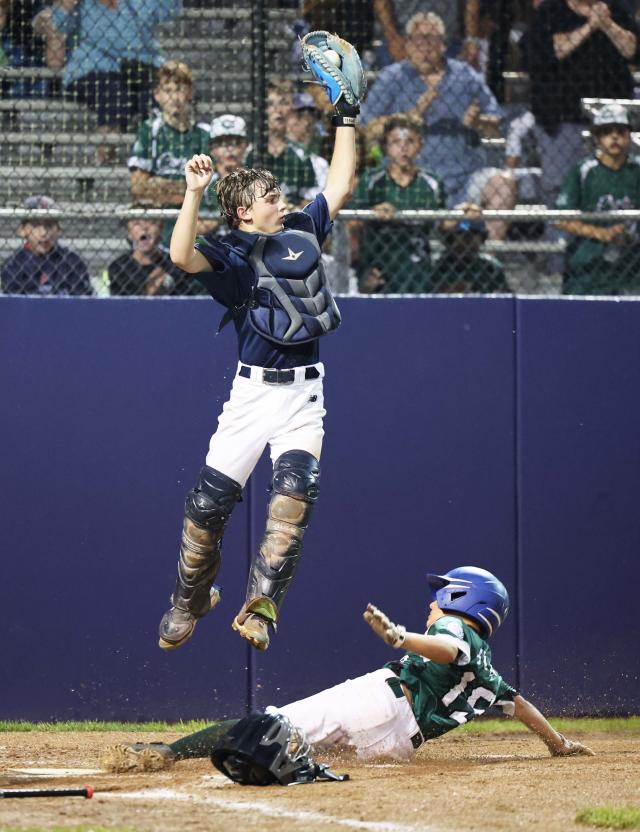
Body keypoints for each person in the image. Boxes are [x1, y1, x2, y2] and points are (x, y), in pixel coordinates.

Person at [154, 38, 359, 653]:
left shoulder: (298, 229)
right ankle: (190, 599)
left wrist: (344, 113)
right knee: (206, 510)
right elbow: (179, 255)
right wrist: (193, 192)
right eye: (267, 195)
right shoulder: (231, 252)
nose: (280, 199)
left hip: (304, 395)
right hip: (251, 395)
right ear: (243, 212)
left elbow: (342, 183)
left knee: (294, 498)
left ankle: (260, 609)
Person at [101, 566, 594, 773]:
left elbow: (444, 648)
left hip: (381, 699)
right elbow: (519, 705)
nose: (431, 603)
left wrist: (402, 638)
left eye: (438, 595)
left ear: (460, 598)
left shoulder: (455, 633)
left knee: (267, 727)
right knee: (306, 756)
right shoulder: (486, 665)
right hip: (398, 744)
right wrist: (558, 743)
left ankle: (166, 752)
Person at [360, 11, 517, 229]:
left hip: (463, 179)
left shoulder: (465, 76)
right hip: (408, 180)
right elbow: (367, 129)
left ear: (443, 44)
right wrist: (411, 115)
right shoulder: (391, 78)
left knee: (503, 183)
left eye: (432, 38)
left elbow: (496, 127)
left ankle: (489, 258)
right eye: (418, 38)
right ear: (407, 44)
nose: (425, 44)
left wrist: (479, 122)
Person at [33, 0, 181, 162]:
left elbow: (168, 10)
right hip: (93, 68)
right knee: (114, 94)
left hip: (141, 65)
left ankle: (162, 160)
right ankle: (105, 161)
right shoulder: (83, 5)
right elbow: (58, 25)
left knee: (161, 97)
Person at [528, 0, 637, 209]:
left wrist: (607, 24)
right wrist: (590, 26)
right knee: (562, 190)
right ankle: (561, 240)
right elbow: (556, 49)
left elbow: (630, 49)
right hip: (563, 119)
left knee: (611, 188)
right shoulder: (552, 11)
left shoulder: (614, 10)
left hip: (610, 122)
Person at [350, 113, 445, 293]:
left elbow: (443, 225)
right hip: (378, 265)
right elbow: (352, 222)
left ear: (420, 146)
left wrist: (464, 213)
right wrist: (372, 212)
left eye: (410, 141)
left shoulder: (432, 182)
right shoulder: (371, 180)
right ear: (386, 147)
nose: (403, 148)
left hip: (418, 268)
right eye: (396, 142)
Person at [556, 103, 640, 295]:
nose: (614, 137)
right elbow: (560, 218)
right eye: (606, 132)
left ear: (629, 136)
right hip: (590, 261)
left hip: (632, 261)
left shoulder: (637, 169)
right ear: (597, 138)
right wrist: (601, 233)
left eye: (621, 131)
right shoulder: (585, 170)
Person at [129, 61, 212, 212]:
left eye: (179, 89)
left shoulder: (204, 134)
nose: (174, 97)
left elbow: (207, 189)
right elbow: (138, 186)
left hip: (196, 215)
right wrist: (187, 189)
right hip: (159, 215)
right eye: (168, 91)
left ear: (190, 92)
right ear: (157, 95)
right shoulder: (149, 130)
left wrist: (159, 184)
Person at [246, 80, 322, 207]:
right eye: (271, 104)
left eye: (284, 103)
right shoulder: (249, 153)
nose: (278, 110)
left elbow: (310, 200)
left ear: (291, 109)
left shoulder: (302, 155)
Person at [1, 195, 91, 296]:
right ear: (22, 230)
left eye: (49, 225)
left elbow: (85, 303)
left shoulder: (73, 261)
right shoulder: (14, 264)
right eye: (35, 225)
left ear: (58, 229)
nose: (43, 233)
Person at [427, 202, 511, 292]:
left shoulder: (490, 267)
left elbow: (504, 297)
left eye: (474, 233)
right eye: (462, 234)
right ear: (450, 238)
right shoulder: (437, 266)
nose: (469, 240)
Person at [107, 218, 194, 296]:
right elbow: (120, 309)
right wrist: (149, 292)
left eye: (151, 221)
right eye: (137, 223)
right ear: (129, 233)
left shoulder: (177, 265)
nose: (144, 227)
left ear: (160, 229)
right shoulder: (118, 267)